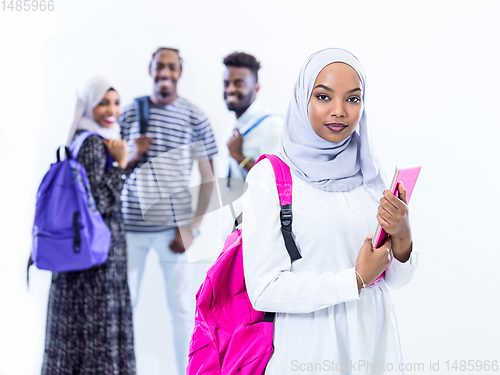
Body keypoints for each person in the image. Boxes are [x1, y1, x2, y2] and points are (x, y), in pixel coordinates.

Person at [242, 48, 418, 374]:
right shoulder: (270, 177)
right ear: (302, 99)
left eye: (353, 99)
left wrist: (403, 239)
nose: (339, 111)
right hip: (310, 349)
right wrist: (353, 280)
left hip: (374, 344)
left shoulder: (369, 171)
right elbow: (263, 290)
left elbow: (394, 280)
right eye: (323, 96)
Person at [119, 47, 217, 375]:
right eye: (160, 66)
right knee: (123, 307)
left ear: (180, 71)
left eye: (171, 67)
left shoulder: (194, 116)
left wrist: (193, 228)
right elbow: (109, 170)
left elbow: (208, 179)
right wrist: (131, 155)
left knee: (180, 309)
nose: (165, 72)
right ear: (150, 68)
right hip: (129, 229)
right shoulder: (130, 112)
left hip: (173, 232)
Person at [42, 77, 135, 374]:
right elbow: (98, 204)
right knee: (97, 331)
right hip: (97, 261)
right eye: (103, 102)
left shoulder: (78, 140)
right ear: (88, 105)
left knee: (75, 332)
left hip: (79, 255)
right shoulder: (95, 145)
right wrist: (121, 165)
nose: (112, 110)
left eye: (116, 102)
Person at [220, 52, 282, 232]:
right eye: (226, 83)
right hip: (231, 229)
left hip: (257, 233)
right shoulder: (234, 126)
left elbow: (278, 182)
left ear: (255, 88)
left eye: (238, 84)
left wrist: (241, 158)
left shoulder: (271, 127)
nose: (230, 89)